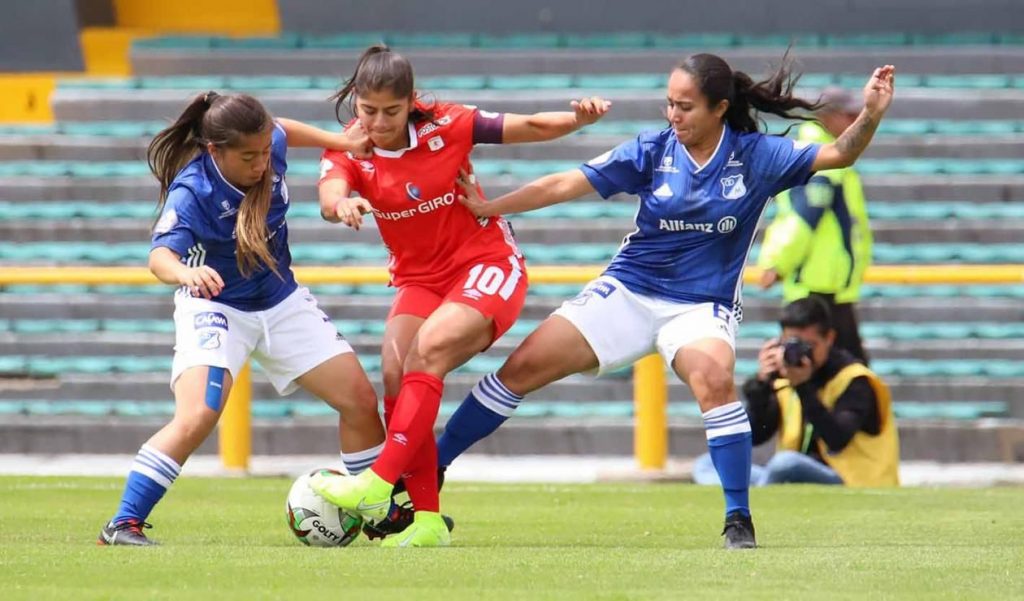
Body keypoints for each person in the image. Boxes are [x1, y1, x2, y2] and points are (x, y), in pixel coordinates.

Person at [449, 54, 896, 549]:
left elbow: (839, 155)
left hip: (701, 305)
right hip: (629, 291)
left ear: (720, 108)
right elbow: (565, 182)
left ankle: (738, 519)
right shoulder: (651, 149)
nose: (673, 115)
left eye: (685, 106)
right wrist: (492, 206)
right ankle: (429, 471)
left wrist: (871, 113)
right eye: (669, 104)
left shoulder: (756, 156)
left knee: (715, 380)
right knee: (519, 369)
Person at [310, 45, 611, 548]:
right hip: (419, 280)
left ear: (411, 103)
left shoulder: (447, 125)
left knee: (427, 351)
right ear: (355, 103)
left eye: (391, 111)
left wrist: (575, 120)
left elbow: (530, 127)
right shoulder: (346, 147)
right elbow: (328, 194)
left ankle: (378, 484)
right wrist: (342, 205)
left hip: (486, 265)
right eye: (368, 111)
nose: (379, 122)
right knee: (394, 370)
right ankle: (426, 520)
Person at [98, 92, 386, 546]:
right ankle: (123, 523)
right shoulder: (194, 190)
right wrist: (185, 273)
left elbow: (284, 126)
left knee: (360, 401)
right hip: (214, 306)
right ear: (215, 150)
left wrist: (341, 142)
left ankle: (378, 515)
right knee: (199, 414)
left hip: (279, 299)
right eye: (249, 156)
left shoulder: (269, 142)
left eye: (264, 151)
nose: (260, 163)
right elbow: (159, 257)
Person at [693, 296, 899, 486]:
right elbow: (755, 436)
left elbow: (836, 438)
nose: (801, 354)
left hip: (850, 481)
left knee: (785, 463)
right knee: (711, 463)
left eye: (808, 345)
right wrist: (761, 385)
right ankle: (759, 491)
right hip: (791, 476)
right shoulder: (785, 377)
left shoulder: (855, 380)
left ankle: (755, 498)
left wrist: (803, 386)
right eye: (793, 345)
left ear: (829, 338)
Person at [757, 86, 873, 363]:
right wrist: (779, 263)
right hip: (818, 288)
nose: (857, 121)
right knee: (838, 375)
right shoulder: (821, 160)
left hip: (826, 287)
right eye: (850, 115)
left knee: (833, 375)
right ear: (827, 116)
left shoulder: (822, 155)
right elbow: (803, 218)